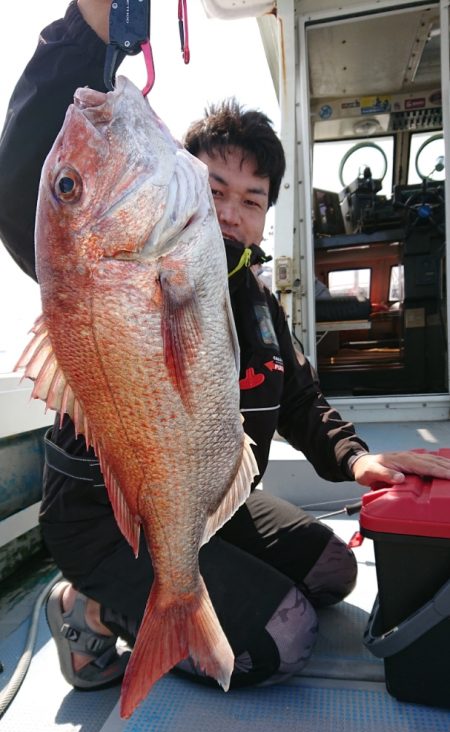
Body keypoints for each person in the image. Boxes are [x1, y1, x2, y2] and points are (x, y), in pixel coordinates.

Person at [1, 0, 449, 692]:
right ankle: (88, 601)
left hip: (200, 501)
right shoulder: (109, 274)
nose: (231, 212)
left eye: (252, 198)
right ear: (180, 175)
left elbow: (298, 397)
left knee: (337, 570)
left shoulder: (253, 295)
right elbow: (27, 177)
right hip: (106, 521)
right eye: (214, 187)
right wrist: (85, 30)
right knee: (285, 637)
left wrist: (359, 458)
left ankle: (181, 572)